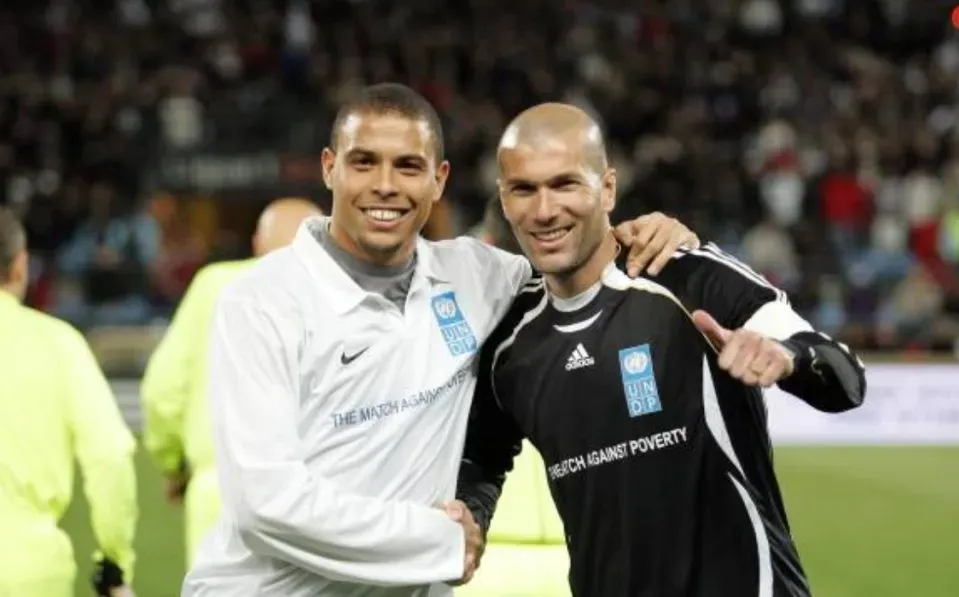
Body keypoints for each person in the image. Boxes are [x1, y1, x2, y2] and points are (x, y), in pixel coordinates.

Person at [181, 83, 697, 597]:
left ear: (438, 179)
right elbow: (263, 503)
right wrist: (436, 542)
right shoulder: (261, 302)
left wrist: (649, 235)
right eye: (364, 163)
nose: (385, 185)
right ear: (328, 168)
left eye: (408, 166)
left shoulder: (477, 277)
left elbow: (576, 259)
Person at [456, 103, 868, 597]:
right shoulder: (509, 341)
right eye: (523, 189)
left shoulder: (689, 278)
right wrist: (470, 516)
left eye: (565, 184)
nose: (544, 210)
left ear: (607, 189)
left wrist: (788, 356)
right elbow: (480, 456)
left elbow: (845, 378)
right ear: (503, 198)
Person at [140, 197, 323, 565]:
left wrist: (173, 463)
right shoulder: (341, 297)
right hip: (316, 500)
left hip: (221, 490)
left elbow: (163, 390)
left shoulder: (214, 286)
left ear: (257, 242)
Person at [0, 206, 137, 597]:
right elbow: (110, 455)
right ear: (21, 266)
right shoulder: (58, 344)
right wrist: (115, 561)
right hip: (27, 572)